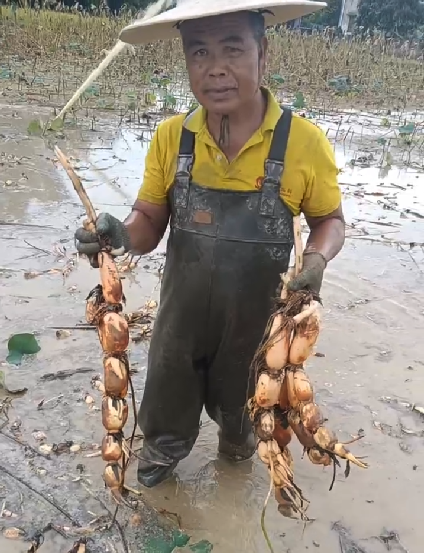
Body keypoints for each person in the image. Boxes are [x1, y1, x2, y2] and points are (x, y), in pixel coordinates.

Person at [74, 0, 345, 489]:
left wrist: (316, 258)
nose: (215, 68)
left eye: (232, 49)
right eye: (199, 52)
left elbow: (330, 219)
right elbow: (150, 221)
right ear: (186, 61)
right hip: (181, 319)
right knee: (166, 399)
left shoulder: (303, 142)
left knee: (244, 422)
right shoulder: (172, 137)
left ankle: (236, 454)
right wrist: (120, 234)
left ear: (263, 54)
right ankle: (161, 457)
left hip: (255, 322)